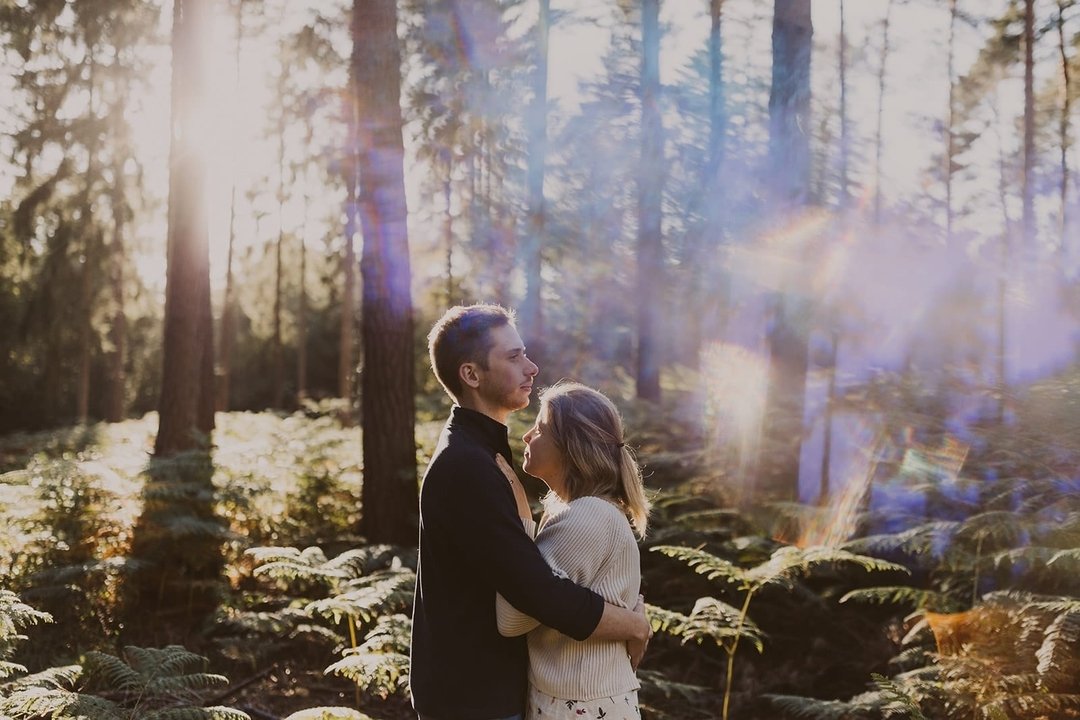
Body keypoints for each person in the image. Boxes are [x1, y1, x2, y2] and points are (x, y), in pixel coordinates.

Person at [410, 304, 651, 720]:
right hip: (472, 698)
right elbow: (537, 592)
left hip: (487, 689)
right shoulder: (468, 464)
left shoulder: (481, 454)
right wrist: (633, 625)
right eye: (513, 356)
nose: (532, 367)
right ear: (471, 374)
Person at [496, 381, 650, 720]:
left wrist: (520, 517)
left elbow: (511, 619)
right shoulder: (583, 512)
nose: (527, 436)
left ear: (571, 446)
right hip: (576, 699)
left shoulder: (587, 517)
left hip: (579, 706)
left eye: (540, 429)